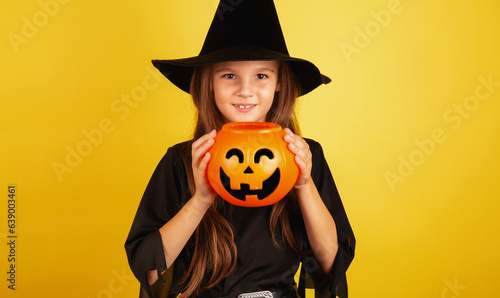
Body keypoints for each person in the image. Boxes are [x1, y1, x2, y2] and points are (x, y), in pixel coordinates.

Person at [125, 1, 355, 297]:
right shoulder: (180, 161)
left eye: (261, 75)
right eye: (229, 75)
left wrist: (305, 184)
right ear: (209, 83)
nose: (245, 90)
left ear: (279, 84)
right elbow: (152, 272)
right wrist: (200, 200)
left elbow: (329, 263)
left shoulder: (306, 157)